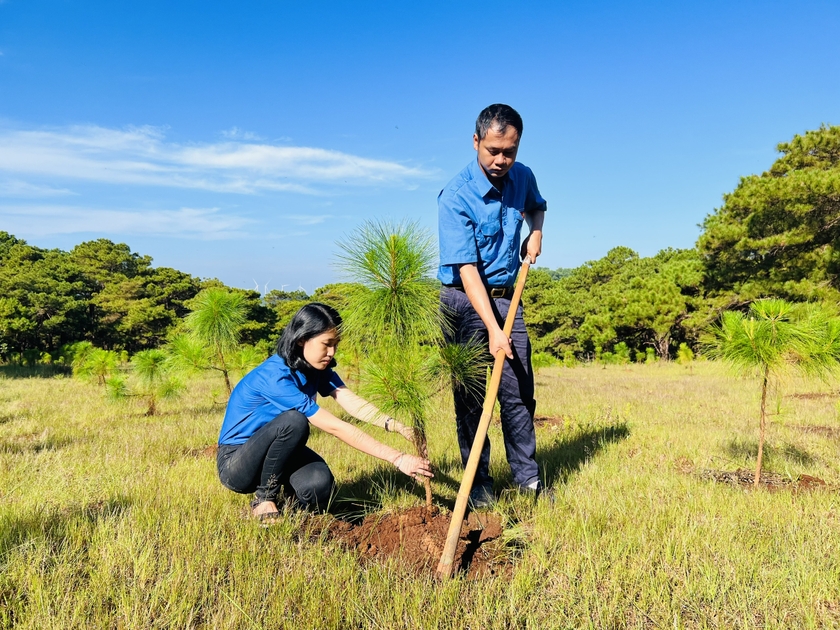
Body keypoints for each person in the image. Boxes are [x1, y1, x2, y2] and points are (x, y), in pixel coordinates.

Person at [217, 302, 432, 521]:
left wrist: (398, 426)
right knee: (294, 421)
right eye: (326, 344)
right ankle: (264, 498)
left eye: (336, 345)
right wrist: (397, 458)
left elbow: (350, 401)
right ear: (302, 339)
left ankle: (290, 500)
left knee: (320, 487)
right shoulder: (275, 376)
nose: (332, 353)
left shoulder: (315, 368)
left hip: (281, 452)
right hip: (237, 462)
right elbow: (335, 427)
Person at [437, 103, 547, 508]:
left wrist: (536, 232)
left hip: (507, 297)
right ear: (476, 141)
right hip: (463, 301)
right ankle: (479, 484)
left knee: (518, 392)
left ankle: (528, 480)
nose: (501, 160)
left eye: (509, 152)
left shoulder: (523, 176)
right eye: (493, 151)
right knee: (471, 399)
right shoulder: (455, 196)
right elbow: (466, 270)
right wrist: (493, 330)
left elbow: (536, 205)